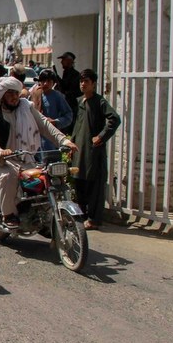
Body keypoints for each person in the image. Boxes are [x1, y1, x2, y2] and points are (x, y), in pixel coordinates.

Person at [0, 76, 77, 228]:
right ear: (2, 97)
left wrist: (64, 141)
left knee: (47, 177)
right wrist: (1, 152)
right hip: (5, 161)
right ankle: (9, 215)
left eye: (15, 93)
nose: (14, 97)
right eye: (10, 94)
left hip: (28, 158)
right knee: (9, 176)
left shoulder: (27, 108)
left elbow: (45, 125)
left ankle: (44, 212)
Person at [71, 69, 121, 230]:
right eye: (81, 81)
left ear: (93, 84)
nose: (83, 84)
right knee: (79, 182)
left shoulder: (100, 102)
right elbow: (77, 126)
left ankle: (94, 219)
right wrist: (71, 143)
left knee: (94, 185)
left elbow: (114, 119)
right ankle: (81, 215)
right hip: (80, 149)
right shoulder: (80, 101)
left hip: (93, 151)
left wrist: (101, 136)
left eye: (86, 81)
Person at [30, 68, 73, 147]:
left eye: (49, 81)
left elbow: (68, 116)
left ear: (53, 83)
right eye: (43, 81)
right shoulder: (35, 94)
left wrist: (55, 122)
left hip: (50, 140)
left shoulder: (57, 96)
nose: (45, 84)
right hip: (34, 137)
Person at [56, 51, 82, 123]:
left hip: (71, 105)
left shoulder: (75, 75)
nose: (61, 62)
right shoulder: (66, 73)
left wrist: (67, 94)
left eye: (63, 60)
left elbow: (78, 91)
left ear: (69, 61)